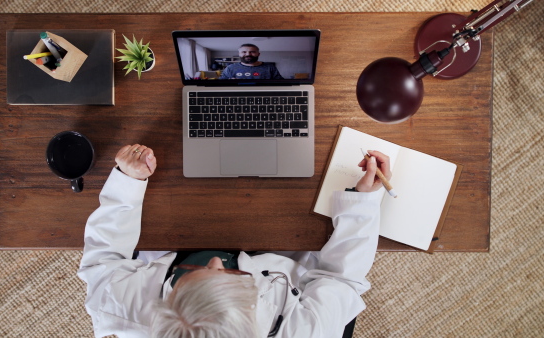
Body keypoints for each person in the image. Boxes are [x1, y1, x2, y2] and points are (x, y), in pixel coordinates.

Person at [78, 143, 392, 338]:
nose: (216, 261)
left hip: (172, 245)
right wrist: (362, 201)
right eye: (232, 277)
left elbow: (102, 258)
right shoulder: (307, 333)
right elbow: (341, 278)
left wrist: (128, 182)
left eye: (192, 275)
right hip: (280, 254)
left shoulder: (119, 306)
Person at [219, 44, 284, 80]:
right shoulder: (230, 68)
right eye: (244, 52)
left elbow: (281, 83)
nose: (248, 54)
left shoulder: (270, 67)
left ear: (258, 54)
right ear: (239, 54)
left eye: (252, 52)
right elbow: (220, 84)